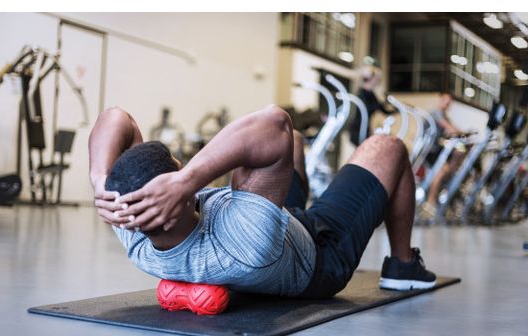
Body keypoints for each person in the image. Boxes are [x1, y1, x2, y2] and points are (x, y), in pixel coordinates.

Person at [88, 105, 436, 314]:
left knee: (295, 141)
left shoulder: (132, 222)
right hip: (318, 255)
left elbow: (117, 119)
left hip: (271, 235)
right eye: (178, 170)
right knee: (387, 147)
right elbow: (274, 124)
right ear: (177, 194)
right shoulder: (240, 240)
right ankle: (402, 266)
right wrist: (188, 178)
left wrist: (100, 180)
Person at [420, 92, 467, 220]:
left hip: (438, 152)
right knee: (440, 172)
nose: (447, 104)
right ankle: (430, 203)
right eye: (445, 101)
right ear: (440, 100)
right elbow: (450, 128)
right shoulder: (436, 113)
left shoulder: (445, 115)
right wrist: (461, 132)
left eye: (449, 103)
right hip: (429, 151)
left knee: (459, 153)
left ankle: (450, 177)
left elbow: (452, 128)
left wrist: (464, 133)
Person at [348, 66, 395, 146]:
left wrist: (396, 109)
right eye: (376, 78)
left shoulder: (371, 94)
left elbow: (382, 109)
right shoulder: (361, 93)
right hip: (358, 129)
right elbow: (369, 107)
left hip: (366, 128)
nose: (378, 81)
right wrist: (382, 104)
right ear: (371, 79)